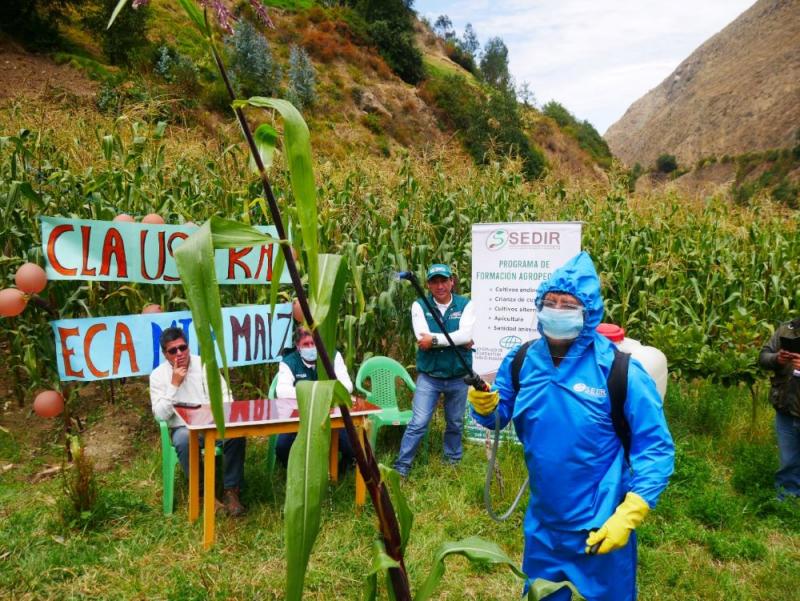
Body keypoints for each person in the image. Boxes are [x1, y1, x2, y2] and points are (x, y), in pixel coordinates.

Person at [468, 252, 674, 601]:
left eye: (568, 304)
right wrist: (484, 406)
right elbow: (498, 415)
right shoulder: (522, 360)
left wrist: (631, 511)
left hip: (601, 524)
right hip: (544, 524)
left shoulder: (619, 371)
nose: (557, 310)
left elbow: (655, 448)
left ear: (588, 311)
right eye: (550, 302)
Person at [149, 327, 246, 517]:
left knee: (236, 435)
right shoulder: (158, 376)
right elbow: (160, 415)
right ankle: (203, 494)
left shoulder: (205, 365)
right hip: (183, 427)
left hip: (212, 423)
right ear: (165, 354)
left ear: (188, 346)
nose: (179, 353)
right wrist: (174, 384)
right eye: (173, 350)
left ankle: (231, 491)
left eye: (182, 347)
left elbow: (226, 396)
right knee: (184, 440)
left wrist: (216, 413)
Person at [393, 263, 476, 477]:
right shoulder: (419, 305)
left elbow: (466, 336)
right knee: (418, 422)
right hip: (429, 377)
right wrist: (457, 340)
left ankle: (452, 462)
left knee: (455, 423)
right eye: (435, 282)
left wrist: (436, 340)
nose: (440, 286)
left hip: (458, 375)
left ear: (452, 282)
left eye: (444, 281)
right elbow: (423, 338)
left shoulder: (465, 305)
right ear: (428, 285)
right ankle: (402, 467)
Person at [274, 326, 355, 469]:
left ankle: (342, 468)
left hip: (330, 413)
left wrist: (320, 396)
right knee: (282, 447)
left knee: (351, 445)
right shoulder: (288, 361)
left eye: (314, 343)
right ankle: (295, 467)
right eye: (306, 344)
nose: (311, 347)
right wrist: (314, 394)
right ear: (298, 346)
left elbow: (347, 386)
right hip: (300, 415)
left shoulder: (333, 356)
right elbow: (281, 390)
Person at [758, 317, 800, 499]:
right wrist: (777, 358)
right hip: (786, 408)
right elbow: (763, 356)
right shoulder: (787, 329)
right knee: (788, 461)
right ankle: (786, 501)